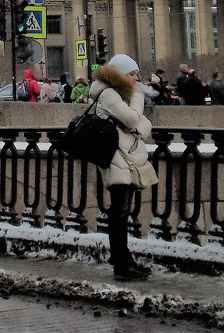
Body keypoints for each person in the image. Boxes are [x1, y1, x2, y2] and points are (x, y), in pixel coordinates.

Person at [90, 53, 158, 281]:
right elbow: (131, 120)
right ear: (120, 74)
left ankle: (124, 260)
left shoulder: (118, 94)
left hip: (124, 158)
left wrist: (135, 122)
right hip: (116, 159)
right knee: (119, 213)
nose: (137, 78)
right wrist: (138, 100)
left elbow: (143, 125)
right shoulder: (109, 94)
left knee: (122, 213)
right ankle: (121, 263)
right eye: (132, 74)